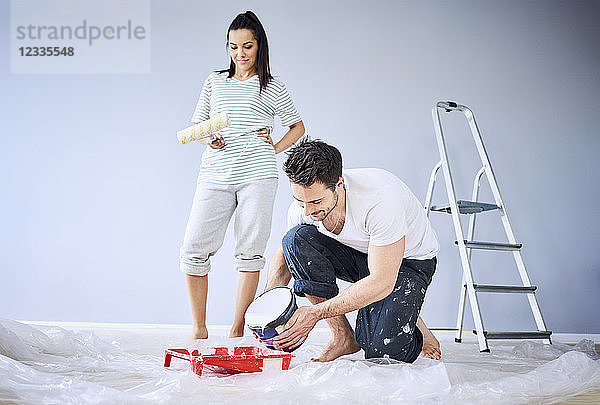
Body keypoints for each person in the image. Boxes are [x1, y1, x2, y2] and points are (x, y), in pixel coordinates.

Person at [180, 11, 305, 340]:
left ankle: (237, 329)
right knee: (193, 249)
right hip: (216, 172)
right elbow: (196, 126)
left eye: (247, 46)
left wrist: (274, 148)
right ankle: (199, 329)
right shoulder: (214, 81)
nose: (240, 53)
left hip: (258, 174)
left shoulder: (272, 86)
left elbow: (298, 127)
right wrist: (209, 137)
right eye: (233, 46)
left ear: (259, 46)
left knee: (250, 251)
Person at [265, 139, 441, 362]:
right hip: (362, 256)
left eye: (316, 202)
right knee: (295, 239)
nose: (308, 211)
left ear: (339, 184)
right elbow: (285, 253)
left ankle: (411, 320)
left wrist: (316, 313)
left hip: (408, 263)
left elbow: (382, 280)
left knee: (381, 352)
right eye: (300, 201)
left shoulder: (380, 201)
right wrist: (268, 305)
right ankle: (343, 337)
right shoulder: (304, 208)